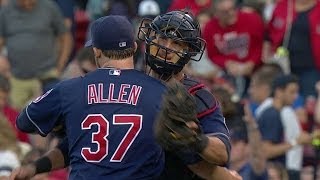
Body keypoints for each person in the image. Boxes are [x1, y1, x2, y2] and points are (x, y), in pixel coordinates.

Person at [11, 15, 168, 180]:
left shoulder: (70, 90)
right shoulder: (160, 91)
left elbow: (24, 122)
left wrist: (62, 124)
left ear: (97, 51)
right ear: (134, 47)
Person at [138, 10, 232, 179]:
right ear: (150, 37)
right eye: (162, 37)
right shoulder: (130, 84)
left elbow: (222, 153)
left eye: (176, 43)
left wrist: (195, 140)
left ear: (188, 52)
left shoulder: (197, 95)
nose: (166, 47)